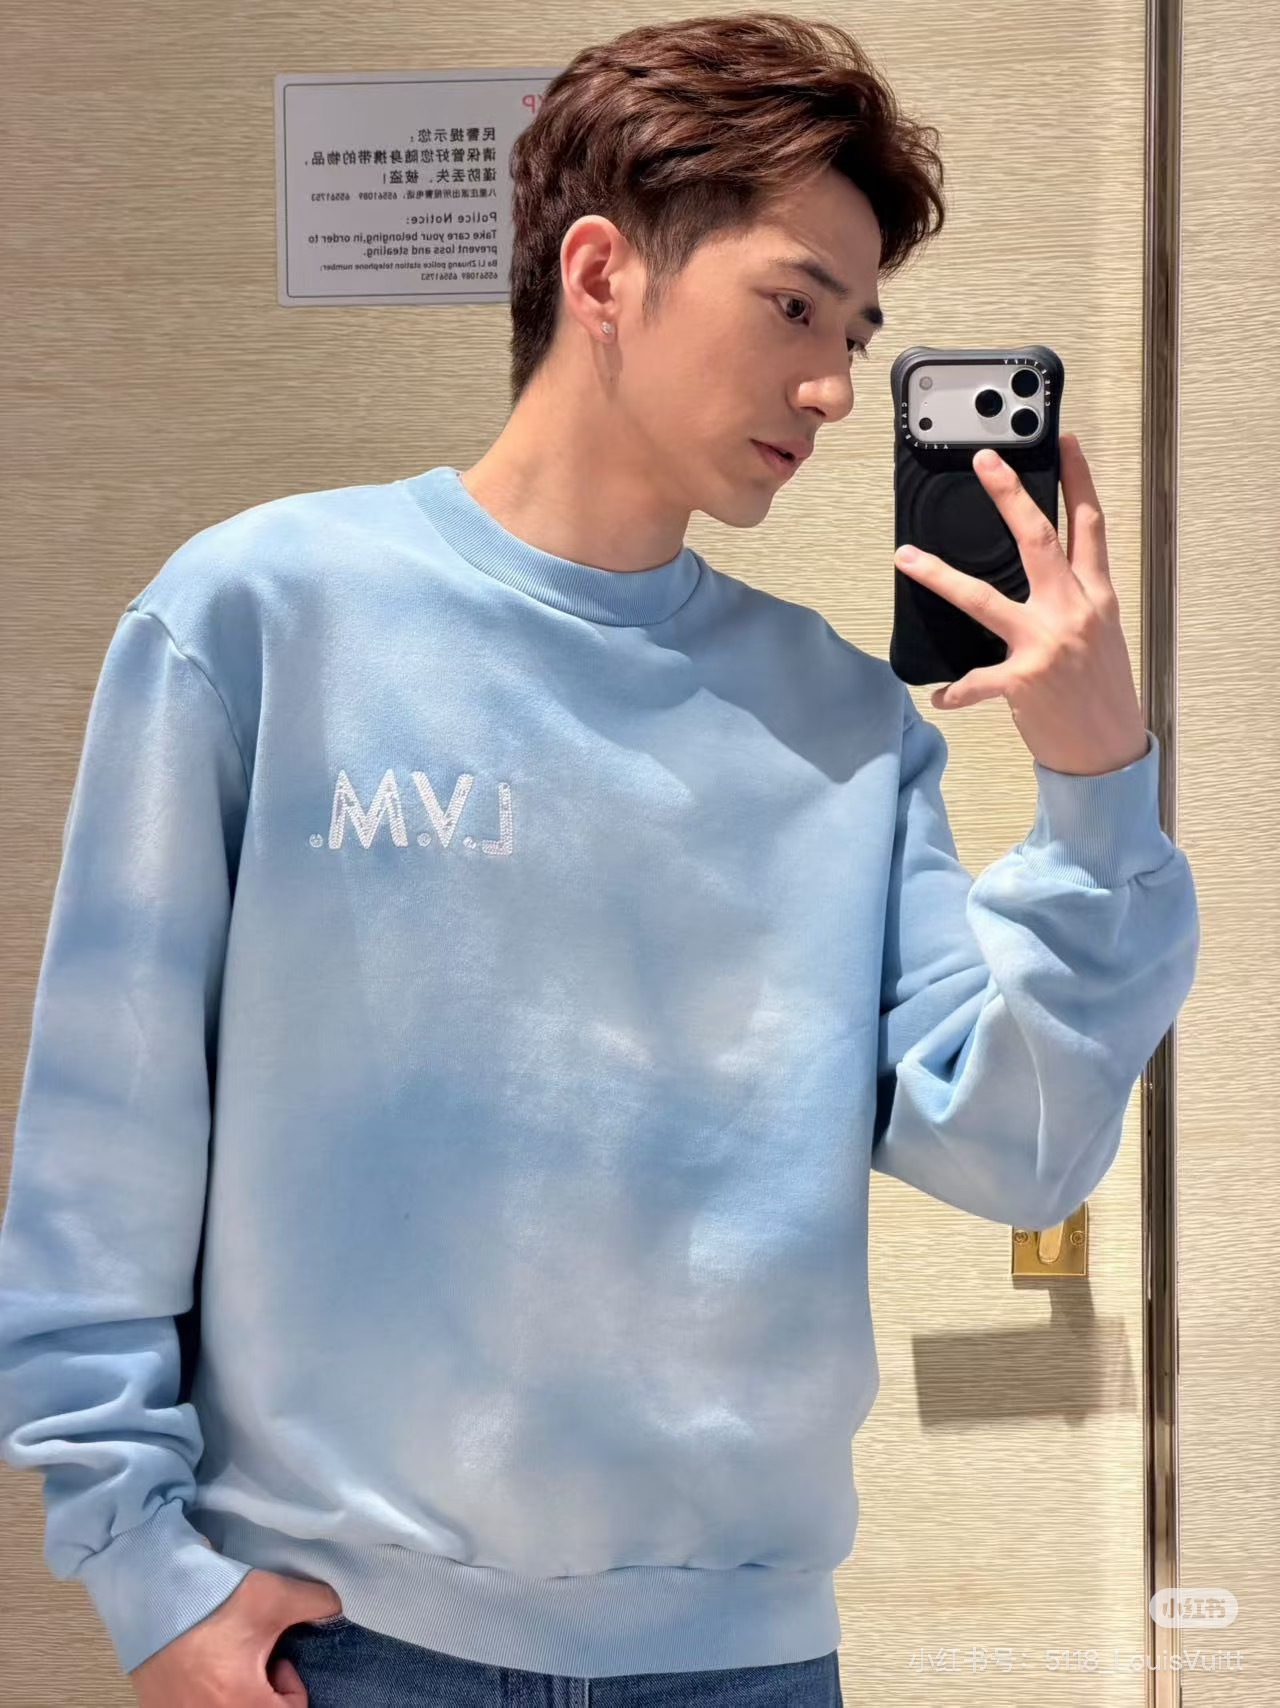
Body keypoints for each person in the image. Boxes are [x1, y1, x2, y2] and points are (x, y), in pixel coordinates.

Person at [0, 10, 1198, 1707]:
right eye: (796, 306)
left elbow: (1018, 1148)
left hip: (742, 1664)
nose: (832, 387)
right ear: (601, 271)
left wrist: (1096, 781)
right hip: (338, 1643)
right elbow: (105, 1136)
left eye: (857, 334)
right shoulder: (261, 617)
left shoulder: (845, 724)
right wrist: (143, 1569)